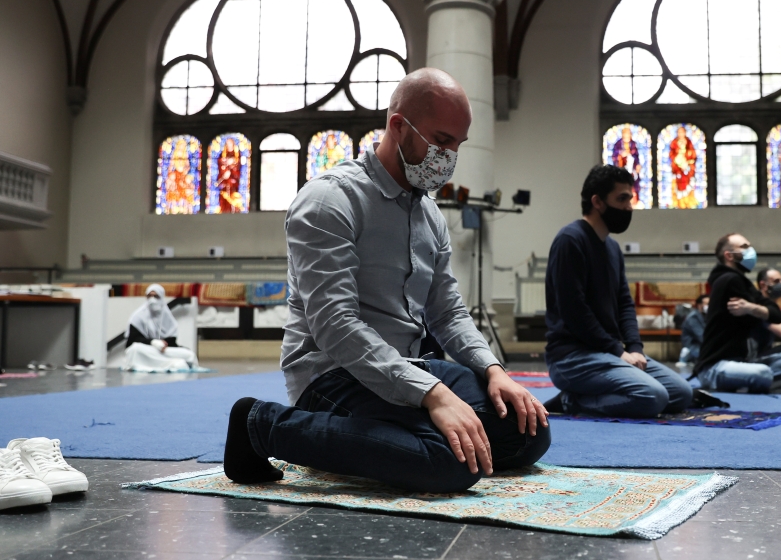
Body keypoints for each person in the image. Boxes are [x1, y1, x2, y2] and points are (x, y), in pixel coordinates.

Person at [222, 68, 550, 493]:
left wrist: (493, 371)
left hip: (408, 366)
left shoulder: (430, 215)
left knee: (528, 430)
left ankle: (386, 438)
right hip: (334, 374)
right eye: (442, 140)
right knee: (450, 462)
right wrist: (433, 394)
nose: (450, 156)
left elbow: (448, 313)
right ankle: (258, 424)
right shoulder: (329, 200)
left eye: (458, 144)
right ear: (399, 126)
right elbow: (336, 327)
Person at [542, 165, 693, 418]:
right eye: (622, 199)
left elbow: (625, 303)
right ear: (597, 202)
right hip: (572, 358)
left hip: (607, 353)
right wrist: (617, 351)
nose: (628, 207)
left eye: (630, 199)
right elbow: (574, 310)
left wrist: (635, 349)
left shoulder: (612, 248)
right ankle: (570, 401)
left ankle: (586, 396)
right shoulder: (571, 239)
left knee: (681, 393)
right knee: (653, 396)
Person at [691, 234, 781, 393]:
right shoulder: (729, 280)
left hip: (742, 361)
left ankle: (750, 383)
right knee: (763, 373)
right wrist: (759, 311)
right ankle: (760, 382)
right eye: (744, 247)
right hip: (715, 367)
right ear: (729, 256)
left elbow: (776, 315)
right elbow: (765, 316)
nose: (750, 250)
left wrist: (751, 308)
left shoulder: (743, 282)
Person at [123, 284, 198, 371]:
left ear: (161, 298)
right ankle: (173, 364)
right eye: (149, 296)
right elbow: (131, 341)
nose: (152, 300)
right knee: (135, 349)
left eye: (156, 296)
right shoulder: (138, 316)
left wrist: (163, 345)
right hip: (147, 350)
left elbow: (172, 343)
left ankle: (170, 363)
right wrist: (153, 342)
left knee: (189, 354)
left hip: (162, 352)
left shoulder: (168, 317)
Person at [677, 294, 708, 367]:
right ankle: (686, 357)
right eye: (707, 304)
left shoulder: (705, 316)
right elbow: (701, 337)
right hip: (692, 345)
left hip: (701, 345)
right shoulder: (693, 318)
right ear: (699, 305)